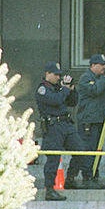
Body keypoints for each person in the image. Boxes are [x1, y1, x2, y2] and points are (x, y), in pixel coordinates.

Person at [34, 61, 89, 201]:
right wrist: (64, 89)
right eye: (56, 75)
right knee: (53, 158)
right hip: (53, 126)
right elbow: (56, 101)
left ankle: (70, 178)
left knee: (80, 150)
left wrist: (72, 89)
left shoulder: (59, 88)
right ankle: (50, 189)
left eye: (59, 75)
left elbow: (72, 102)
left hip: (66, 124)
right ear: (47, 74)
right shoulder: (43, 89)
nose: (58, 78)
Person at [69, 53, 105, 189]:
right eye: (101, 65)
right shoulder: (86, 78)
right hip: (88, 121)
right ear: (93, 65)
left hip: (98, 120)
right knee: (86, 149)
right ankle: (83, 177)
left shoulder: (100, 79)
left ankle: (93, 176)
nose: (104, 68)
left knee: (96, 150)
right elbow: (95, 91)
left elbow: (104, 94)